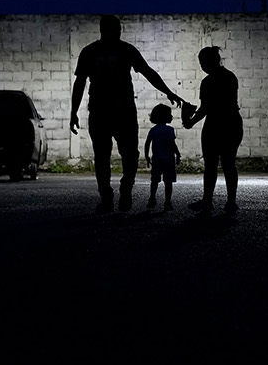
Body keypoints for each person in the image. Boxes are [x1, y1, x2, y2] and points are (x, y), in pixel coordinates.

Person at [71, 15, 182, 213]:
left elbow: (80, 84)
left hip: (104, 111)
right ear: (114, 29)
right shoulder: (121, 50)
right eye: (118, 28)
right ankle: (118, 194)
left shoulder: (93, 51)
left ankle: (113, 196)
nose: (119, 32)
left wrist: (74, 112)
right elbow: (148, 72)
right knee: (121, 155)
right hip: (118, 112)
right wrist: (168, 92)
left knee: (109, 156)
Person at [181, 46, 242, 215]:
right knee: (229, 163)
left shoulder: (208, 82)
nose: (201, 66)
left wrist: (191, 121)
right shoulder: (230, 77)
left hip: (215, 125)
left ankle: (208, 201)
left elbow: (206, 108)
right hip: (232, 122)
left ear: (209, 61)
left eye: (202, 62)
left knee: (211, 165)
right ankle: (231, 202)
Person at [144, 104, 179, 210]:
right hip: (168, 160)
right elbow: (172, 144)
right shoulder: (170, 130)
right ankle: (167, 202)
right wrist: (178, 154)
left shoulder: (153, 130)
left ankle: (152, 199)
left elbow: (147, 143)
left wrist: (147, 156)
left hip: (157, 159)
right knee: (168, 182)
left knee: (154, 181)